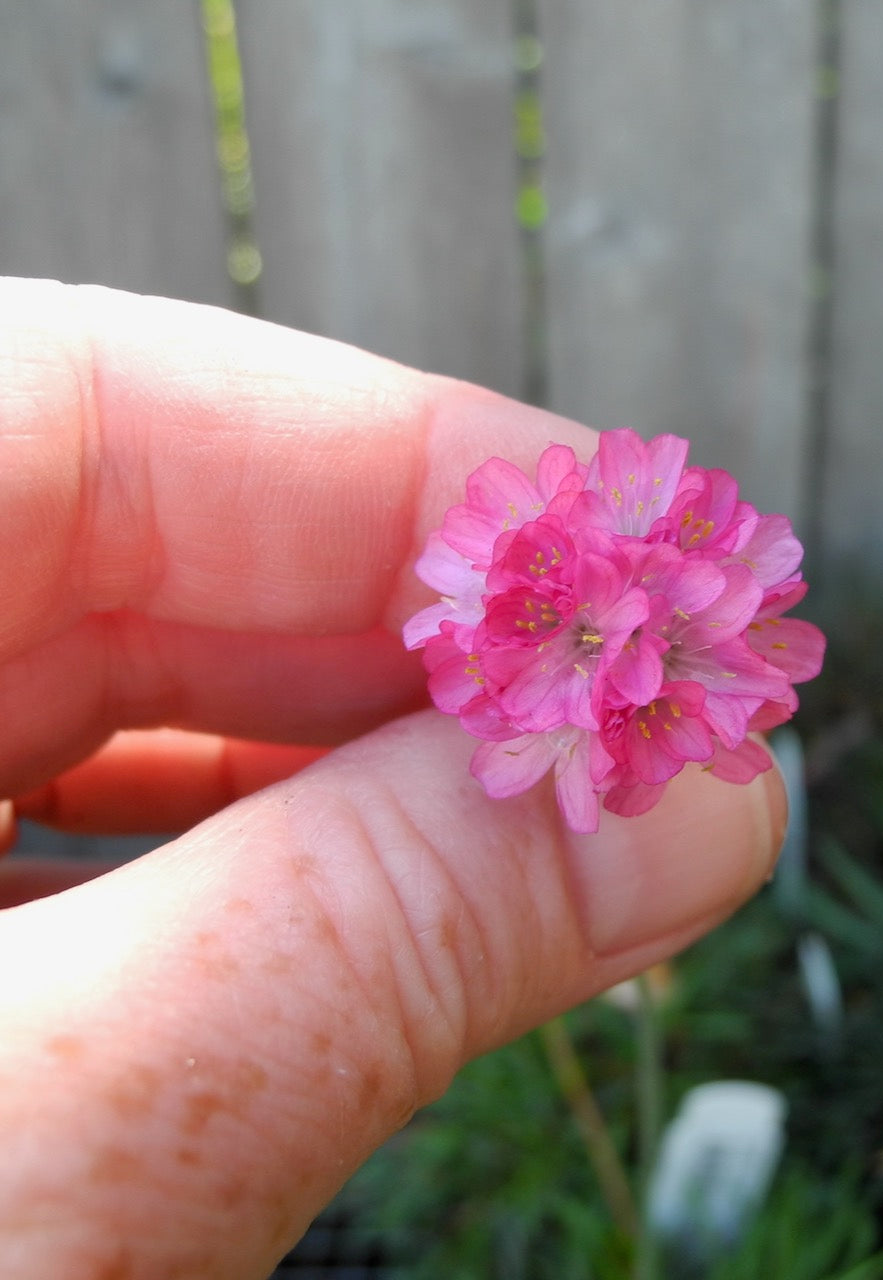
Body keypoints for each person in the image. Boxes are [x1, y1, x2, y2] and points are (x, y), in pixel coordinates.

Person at [0, 278, 786, 1279]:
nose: (593, 641)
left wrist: (634, 649)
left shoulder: (655, 642)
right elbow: (546, 641)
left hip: (626, 675)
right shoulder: (550, 638)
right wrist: (582, 650)